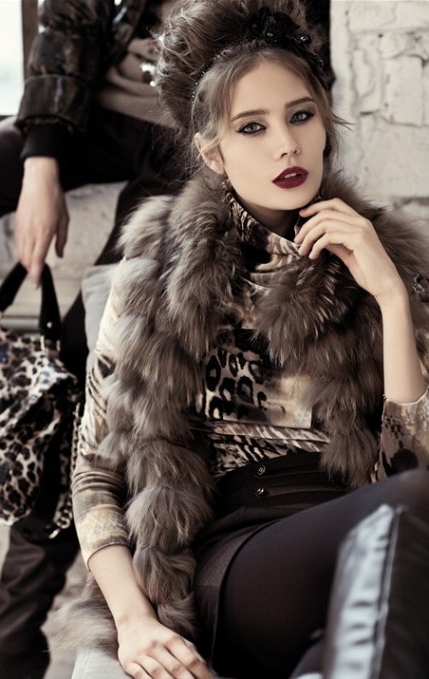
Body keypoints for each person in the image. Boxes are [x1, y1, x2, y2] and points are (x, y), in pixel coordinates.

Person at [63, 0, 429, 677]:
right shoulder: (156, 269)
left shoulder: (383, 258)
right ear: (213, 152)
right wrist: (135, 623)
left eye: (301, 116)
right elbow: (94, 471)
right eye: (252, 127)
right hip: (234, 553)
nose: (286, 145)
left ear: (325, 123)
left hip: (361, 531)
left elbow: (411, 460)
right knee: (414, 510)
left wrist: (390, 294)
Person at [0, 2, 182, 678]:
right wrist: (41, 163)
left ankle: (4, 643)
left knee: (83, 377)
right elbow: (67, 21)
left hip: (193, 137)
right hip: (91, 109)